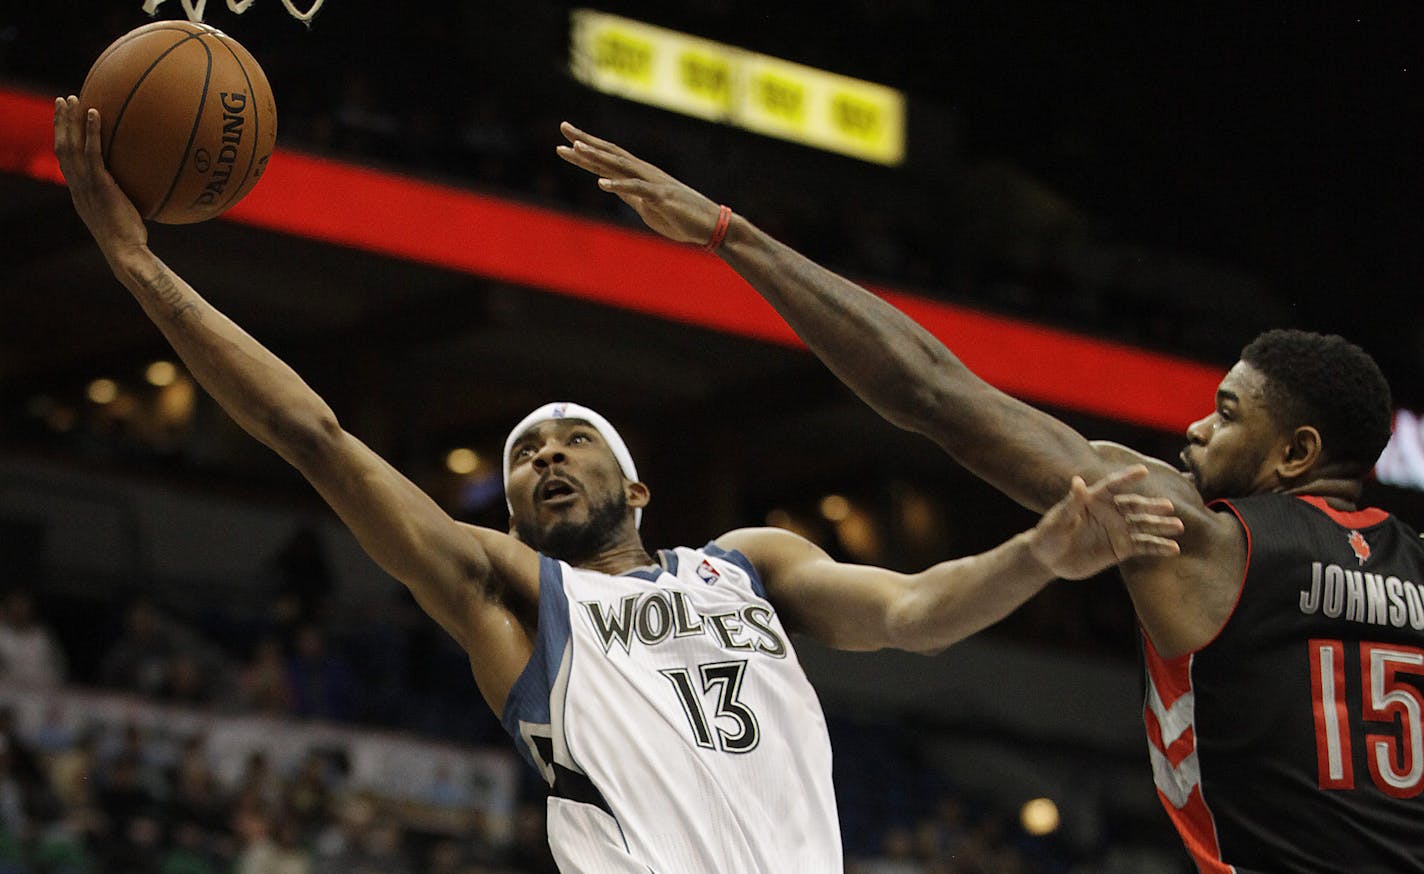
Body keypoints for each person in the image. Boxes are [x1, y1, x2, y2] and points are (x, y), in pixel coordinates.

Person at [53, 96, 1184, 873]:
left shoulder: (754, 564)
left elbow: (913, 613)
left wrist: (1039, 552)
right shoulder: (507, 592)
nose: (543, 456)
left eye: (566, 439)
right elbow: (313, 434)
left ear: (636, 486)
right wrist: (140, 265)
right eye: (521, 457)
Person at [557, 123, 1424, 873]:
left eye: (1227, 415)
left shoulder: (1198, 535)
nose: (1196, 430)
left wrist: (730, 234)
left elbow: (937, 397)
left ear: (1295, 453)